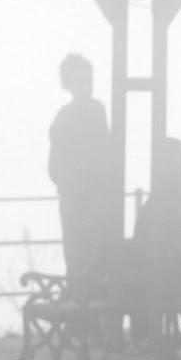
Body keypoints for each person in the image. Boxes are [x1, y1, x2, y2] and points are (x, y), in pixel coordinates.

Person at [127, 137, 181, 342]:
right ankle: (144, 338)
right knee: (131, 282)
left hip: (172, 271)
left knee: (131, 286)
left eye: (163, 160)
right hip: (163, 266)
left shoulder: (178, 192)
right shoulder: (171, 191)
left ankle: (144, 339)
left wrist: (176, 240)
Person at [49, 53, 120, 294]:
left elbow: (107, 150)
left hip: (100, 202)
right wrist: (79, 188)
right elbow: (56, 167)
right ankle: (80, 319)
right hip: (78, 204)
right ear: (67, 85)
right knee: (80, 262)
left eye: (88, 81)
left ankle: (95, 321)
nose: (85, 87)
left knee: (102, 260)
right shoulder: (64, 119)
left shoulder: (98, 111)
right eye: (79, 82)